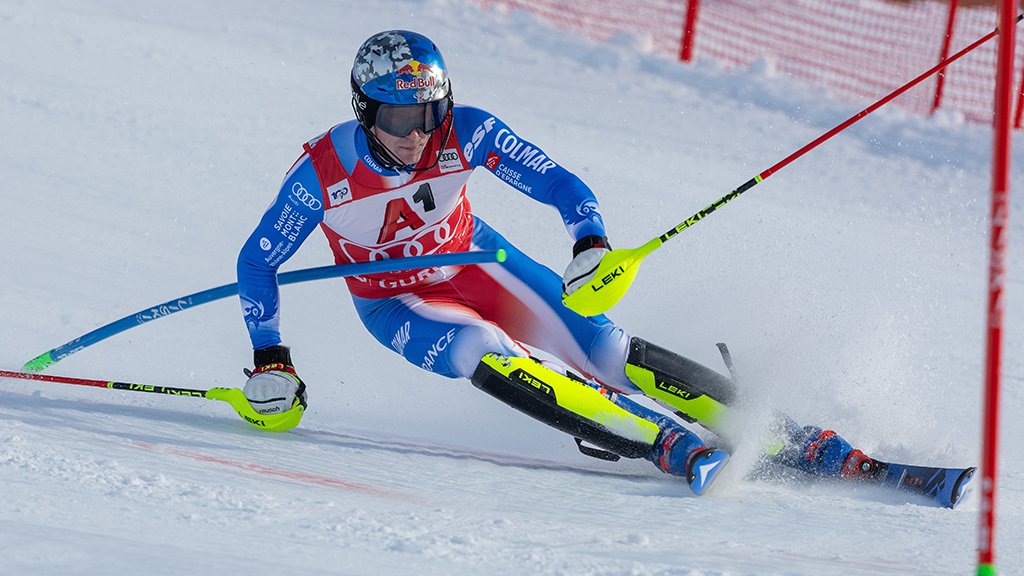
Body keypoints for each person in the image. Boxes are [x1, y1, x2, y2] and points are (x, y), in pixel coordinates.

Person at [235, 30, 867, 495]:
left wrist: (588, 243)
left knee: (608, 350)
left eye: (430, 114)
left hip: (475, 261)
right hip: (394, 301)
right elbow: (257, 263)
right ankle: (661, 441)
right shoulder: (320, 177)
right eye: (399, 118)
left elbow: (559, 183)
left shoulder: (468, 132)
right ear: (365, 111)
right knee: (477, 346)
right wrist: (272, 357)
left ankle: (781, 430)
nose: (418, 135)